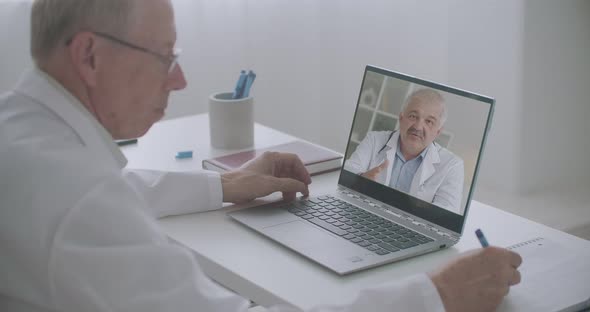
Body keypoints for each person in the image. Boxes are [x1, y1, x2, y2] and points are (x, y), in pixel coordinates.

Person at [0, 0, 521, 311]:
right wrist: (433, 297)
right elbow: (93, 205)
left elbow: (116, 192)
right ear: (89, 55)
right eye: (164, 57)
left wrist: (225, 185)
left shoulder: (24, 134)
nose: (178, 79)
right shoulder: (78, 200)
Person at [344, 89, 464, 213]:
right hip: (365, 213)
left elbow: (447, 214)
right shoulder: (374, 139)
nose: (417, 127)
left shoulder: (452, 165)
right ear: (401, 118)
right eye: (413, 116)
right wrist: (360, 179)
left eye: (429, 121)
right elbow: (347, 172)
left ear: (438, 132)